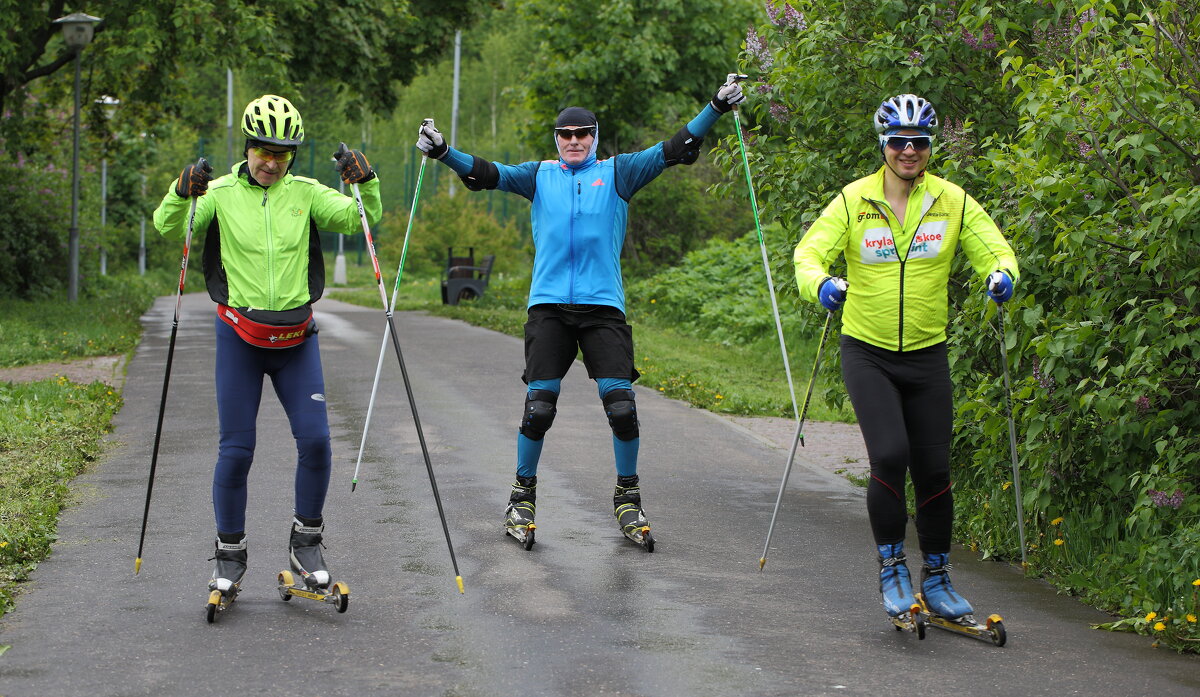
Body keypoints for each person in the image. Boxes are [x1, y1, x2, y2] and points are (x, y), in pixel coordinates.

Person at [415, 76, 745, 550]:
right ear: (557, 139)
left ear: (594, 136)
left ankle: (627, 496)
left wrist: (715, 105)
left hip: (602, 307)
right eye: (565, 135)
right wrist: (444, 151)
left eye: (582, 134)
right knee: (539, 407)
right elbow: (488, 173)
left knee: (622, 408)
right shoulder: (539, 175)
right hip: (548, 307)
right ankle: (521, 496)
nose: (574, 141)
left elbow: (675, 148)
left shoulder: (618, 173)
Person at [793, 94, 1018, 621]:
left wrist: (1003, 275)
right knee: (891, 455)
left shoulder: (952, 201)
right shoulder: (854, 200)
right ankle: (892, 567)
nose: (909, 151)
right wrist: (821, 284)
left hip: (926, 354)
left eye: (919, 142)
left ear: (930, 146)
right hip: (867, 351)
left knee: (935, 468)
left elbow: (996, 249)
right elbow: (807, 254)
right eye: (899, 141)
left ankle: (937, 578)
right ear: (884, 145)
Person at [153, 95, 381, 599]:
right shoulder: (218, 192)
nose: (271, 162)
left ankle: (307, 543)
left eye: (281, 153)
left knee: (317, 442)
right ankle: (230, 555)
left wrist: (365, 182)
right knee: (237, 450)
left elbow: (360, 220)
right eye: (263, 151)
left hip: (295, 339)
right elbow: (167, 225)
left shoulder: (305, 192)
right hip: (239, 336)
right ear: (248, 146)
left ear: (292, 154)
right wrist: (178, 191)